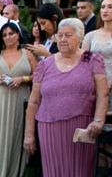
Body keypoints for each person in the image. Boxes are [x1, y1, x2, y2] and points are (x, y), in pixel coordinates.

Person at [24, 18, 108, 177]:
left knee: (81, 171)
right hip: (48, 128)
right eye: (59, 35)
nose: (62, 39)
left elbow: (102, 94)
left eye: (68, 35)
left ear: (80, 37)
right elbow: (34, 101)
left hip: (81, 127)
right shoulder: (45, 64)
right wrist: (29, 134)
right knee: (53, 171)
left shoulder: (93, 60)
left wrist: (98, 120)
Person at [0, 23, 36, 177]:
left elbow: (38, 76)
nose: (8, 37)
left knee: (17, 133)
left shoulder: (28, 53)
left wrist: (23, 78)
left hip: (20, 98)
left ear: (18, 34)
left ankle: (15, 171)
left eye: (11, 33)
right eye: (4, 35)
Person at [82, 0, 112, 109]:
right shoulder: (91, 36)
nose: (105, 10)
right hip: (94, 87)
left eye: (110, 7)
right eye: (103, 7)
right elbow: (83, 63)